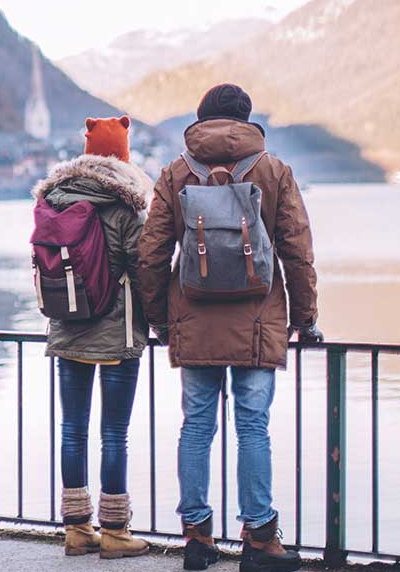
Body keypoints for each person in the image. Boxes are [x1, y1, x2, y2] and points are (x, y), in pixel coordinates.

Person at [137, 84, 322, 572]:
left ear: (200, 120)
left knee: (196, 426)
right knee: (252, 427)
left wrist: (159, 319)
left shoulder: (177, 172)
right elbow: (297, 251)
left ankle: (197, 539)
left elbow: (152, 256)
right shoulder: (273, 170)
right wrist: (305, 318)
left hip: (193, 320)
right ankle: (259, 539)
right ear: (246, 120)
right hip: (259, 320)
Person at [33, 115, 153, 558]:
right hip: (117, 333)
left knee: (72, 430)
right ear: (123, 154)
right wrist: (155, 320)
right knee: (114, 433)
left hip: (67, 329)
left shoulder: (54, 200)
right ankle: (117, 532)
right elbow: (143, 270)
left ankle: (77, 529)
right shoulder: (125, 206)